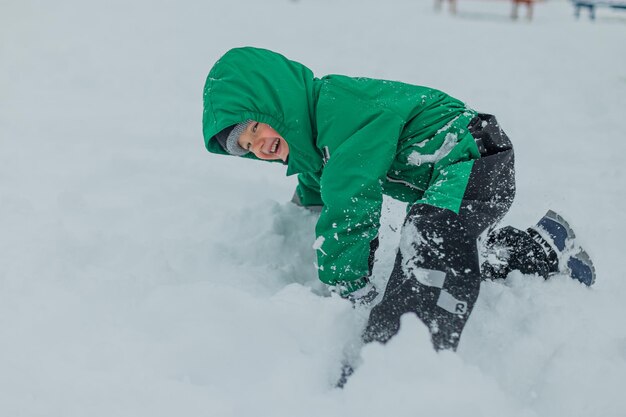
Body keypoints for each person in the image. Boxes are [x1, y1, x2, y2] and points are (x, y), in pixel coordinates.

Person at [202, 47, 595, 355]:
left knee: (430, 240)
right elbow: (316, 195)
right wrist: (296, 228)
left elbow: (349, 193)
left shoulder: (336, 107)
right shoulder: (315, 149)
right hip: (455, 172)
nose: (261, 147)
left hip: (472, 152)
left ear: (279, 99)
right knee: (455, 245)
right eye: (249, 148)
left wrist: (347, 278)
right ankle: (545, 247)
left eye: (256, 127)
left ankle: (401, 353)